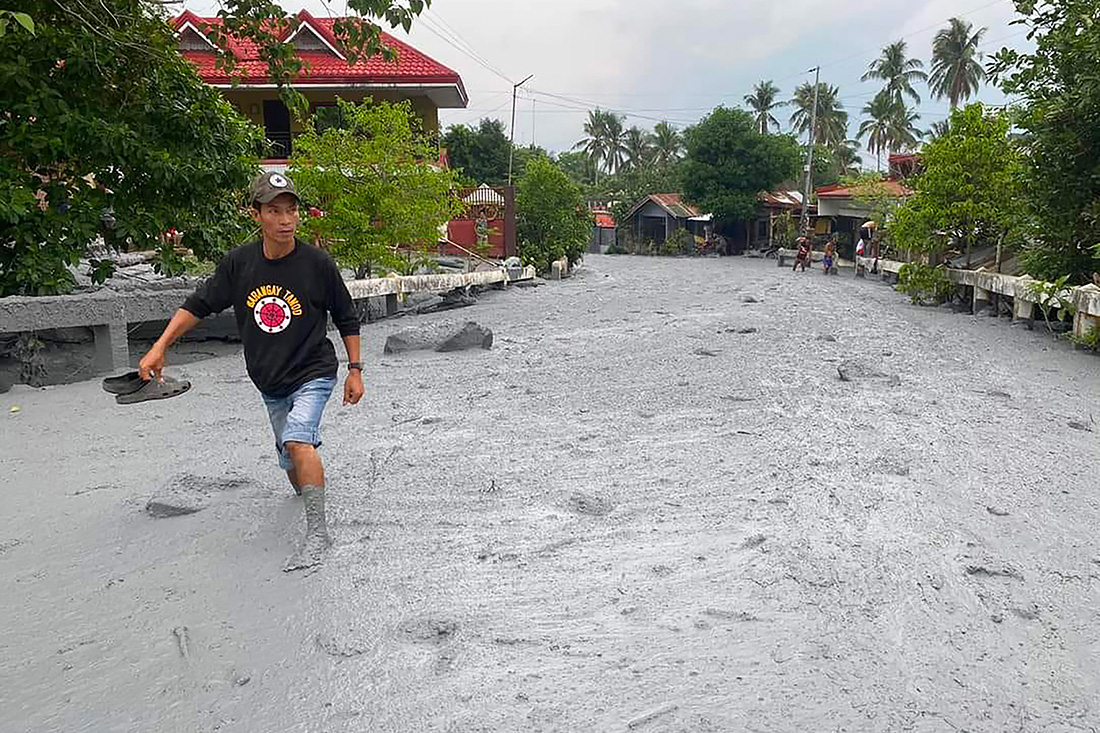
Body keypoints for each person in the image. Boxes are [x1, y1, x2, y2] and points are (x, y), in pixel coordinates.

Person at [137, 171, 364, 571]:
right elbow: (198, 305)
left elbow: (347, 316)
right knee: (291, 459)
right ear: (255, 214)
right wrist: (159, 346)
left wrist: (355, 369)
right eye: (274, 211)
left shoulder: (318, 264)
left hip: (314, 370)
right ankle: (305, 482)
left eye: (291, 210)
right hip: (269, 380)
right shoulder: (239, 264)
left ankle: (318, 534)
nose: (285, 220)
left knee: (298, 439)